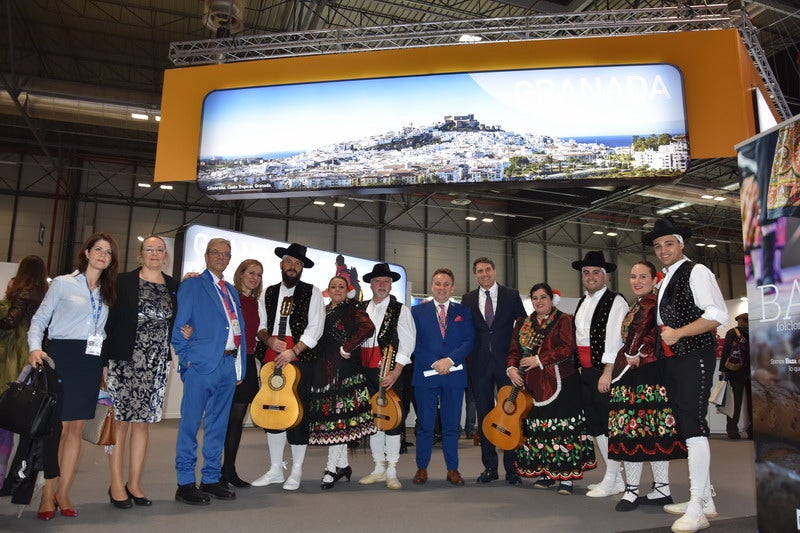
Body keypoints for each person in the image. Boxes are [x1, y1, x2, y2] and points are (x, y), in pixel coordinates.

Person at [643, 216, 728, 533]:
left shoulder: (697, 271)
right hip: (674, 360)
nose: (663, 249)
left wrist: (678, 333)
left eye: (669, 243)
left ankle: (698, 508)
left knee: (693, 428)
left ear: (681, 244)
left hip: (694, 356)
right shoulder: (666, 278)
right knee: (689, 426)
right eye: (658, 245)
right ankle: (704, 498)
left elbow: (718, 315)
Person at [28, 232, 119, 519]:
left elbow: (103, 332)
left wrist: (103, 363)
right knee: (58, 430)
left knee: (77, 431)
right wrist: (34, 348)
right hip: (61, 357)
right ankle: (46, 493)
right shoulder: (63, 283)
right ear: (88, 252)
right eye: (99, 249)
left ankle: (63, 491)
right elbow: (40, 319)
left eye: (108, 252)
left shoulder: (108, 290)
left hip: (90, 362)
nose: (103, 255)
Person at [103, 235, 179, 509]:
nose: (155, 254)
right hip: (124, 362)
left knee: (143, 424)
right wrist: (103, 362)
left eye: (160, 250)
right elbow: (107, 324)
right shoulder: (121, 281)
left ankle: (133, 483)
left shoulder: (173, 286)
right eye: (150, 249)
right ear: (140, 254)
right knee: (120, 424)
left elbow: (179, 321)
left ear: (165, 256)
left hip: (156, 365)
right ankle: (115, 484)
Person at [607, 261, 687, 512]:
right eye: (632, 276)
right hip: (638, 374)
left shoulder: (653, 303)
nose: (637, 281)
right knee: (646, 431)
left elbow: (650, 334)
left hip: (645, 374)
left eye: (643, 276)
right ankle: (655, 488)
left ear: (654, 279)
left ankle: (642, 490)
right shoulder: (639, 304)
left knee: (640, 431)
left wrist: (636, 351)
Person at [171, 237, 246, 505]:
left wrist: (239, 368)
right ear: (206, 255)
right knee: (190, 425)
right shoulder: (192, 285)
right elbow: (179, 328)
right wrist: (188, 359)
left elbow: (238, 329)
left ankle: (212, 478)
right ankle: (185, 483)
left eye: (226, 254)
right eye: (216, 252)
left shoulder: (231, 290)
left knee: (218, 426)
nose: (221, 257)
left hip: (227, 366)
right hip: (201, 366)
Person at [507, 283, 596, 494]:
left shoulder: (563, 319)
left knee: (562, 429)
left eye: (543, 297)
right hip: (532, 385)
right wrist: (511, 368)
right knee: (539, 429)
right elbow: (513, 350)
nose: (539, 302)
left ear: (551, 299)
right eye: (535, 298)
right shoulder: (523, 323)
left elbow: (567, 348)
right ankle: (547, 472)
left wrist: (539, 359)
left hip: (562, 382)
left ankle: (567, 478)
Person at [251, 242, 324, 491]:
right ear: (281, 264)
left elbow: (316, 327)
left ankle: (297, 470)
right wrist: (268, 339)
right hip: (272, 354)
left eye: (297, 263)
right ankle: (274, 469)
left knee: (297, 414)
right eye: (289, 262)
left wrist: (294, 351)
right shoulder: (268, 292)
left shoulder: (312, 292)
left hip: (300, 357)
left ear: (302, 268)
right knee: (273, 410)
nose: (292, 267)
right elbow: (260, 325)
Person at [461, 256, 526, 484]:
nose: (484, 274)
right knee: (485, 414)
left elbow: (523, 326)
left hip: (507, 364)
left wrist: (518, 358)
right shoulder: (468, 299)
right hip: (478, 365)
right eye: (479, 271)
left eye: (488, 269)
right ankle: (489, 467)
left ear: (495, 271)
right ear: (475, 274)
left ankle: (512, 468)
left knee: (511, 412)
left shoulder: (511, 295)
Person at [308, 276, 376, 489]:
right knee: (335, 420)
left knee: (337, 421)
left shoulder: (352, 310)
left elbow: (368, 327)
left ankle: (330, 468)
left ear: (347, 290)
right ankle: (344, 466)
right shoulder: (324, 309)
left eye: (341, 286)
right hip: (323, 371)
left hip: (344, 372)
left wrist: (347, 347)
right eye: (333, 286)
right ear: (328, 290)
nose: (337, 289)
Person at [571, 250, 628, 498]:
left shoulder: (616, 301)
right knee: (596, 427)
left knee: (608, 425)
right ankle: (613, 477)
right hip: (586, 372)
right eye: (587, 272)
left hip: (605, 372)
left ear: (605, 276)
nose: (591, 276)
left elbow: (615, 339)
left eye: (596, 272)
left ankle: (614, 478)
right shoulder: (582, 302)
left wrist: (607, 371)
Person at [411, 268, 474, 486]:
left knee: (451, 425)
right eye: (438, 284)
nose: (442, 288)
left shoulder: (463, 311)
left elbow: (469, 340)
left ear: (452, 288)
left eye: (446, 284)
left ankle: (452, 469)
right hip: (425, 375)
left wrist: (450, 360)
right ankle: (421, 468)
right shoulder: (417, 312)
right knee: (425, 425)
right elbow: (413, 343)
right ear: (431, 286)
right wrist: (435, 362)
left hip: (454, 375)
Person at [357, 263, 416, 490]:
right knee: (374, 420)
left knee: (392, 419)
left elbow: (408, 343)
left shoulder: (401, 310)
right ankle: (378, 467)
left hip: (390, 373)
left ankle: (392, 469)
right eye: (378, 281)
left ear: (391, 285)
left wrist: (396, 372)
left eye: (386, 281)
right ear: (371, 284)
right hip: (365, 372)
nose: (382, 285)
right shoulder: (360, 308)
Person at [220, 259, 265, 488]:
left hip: (246, 362)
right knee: (222, 420)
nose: (254, 277)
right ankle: (214, 472)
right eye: (250, 273)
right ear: (241, 274)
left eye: (258, 274)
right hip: (227, 360)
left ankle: (229, 470)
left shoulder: (257, 304)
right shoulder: (228, 295)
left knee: (237, 420)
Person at [1, 255, 48, 394]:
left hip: (15, 345)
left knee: (7, 383)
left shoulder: (23, 291)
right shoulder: (45, 293)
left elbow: (11, 321)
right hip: (35, 344)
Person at [719, 313, 752, 440]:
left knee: (735, 402)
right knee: (753, 403)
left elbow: (726, 352)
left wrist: (722, 370)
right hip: (752, 371)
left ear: (742, 321)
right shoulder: (755, 333)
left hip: (735, 371)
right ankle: (752, 431)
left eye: (739, 321)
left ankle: (732, 431)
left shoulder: (732, 332)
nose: (738, 323)